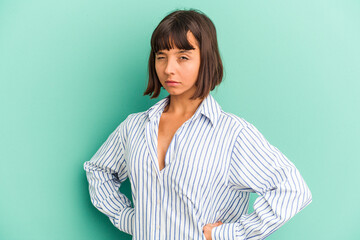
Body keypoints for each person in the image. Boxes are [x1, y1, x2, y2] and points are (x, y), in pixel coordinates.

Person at [83, 8, 312, 240]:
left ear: (206, 59)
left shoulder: (231, 134)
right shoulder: (135, 127)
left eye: (183, 57)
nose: (169, 68)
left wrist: (229, 234)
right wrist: (128, 218)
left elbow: (292, 190)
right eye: (161, 56)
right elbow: (98, 171)